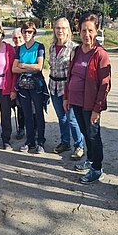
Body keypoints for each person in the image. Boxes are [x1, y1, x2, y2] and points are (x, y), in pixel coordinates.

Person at [64, 13, 111, 184]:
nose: (86, 34)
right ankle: (90, 161)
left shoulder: (100, 54)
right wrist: (67, 97)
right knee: (85, 133)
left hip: (90, 104)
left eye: (90, 30)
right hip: (76, 102)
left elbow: (105, 83)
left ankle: (97, 169)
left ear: (96, 31)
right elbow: (71, 75)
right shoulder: (77, 51)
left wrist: (97, 109)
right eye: (83, 30)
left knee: (93, 135)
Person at [49, 17, 84, 160]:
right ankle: (65, 142)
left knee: (72, 119)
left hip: (67, 87)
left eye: (63, 28)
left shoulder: (74, 48)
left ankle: (79, 145)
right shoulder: (51, 47)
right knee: (61, 118)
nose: (60, 31)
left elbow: (75, 71)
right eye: (57, 28)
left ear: (68, 30)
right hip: (53, 87)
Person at [12, 21, 48, 154]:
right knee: (27, 114)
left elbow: (39, 67)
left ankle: (41, 141)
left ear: (34, 33)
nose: (27, 34)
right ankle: (30, 140)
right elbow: (13, 69)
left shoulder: (39, 47)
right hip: (23, 85)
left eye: (29, 32)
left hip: (36, 85)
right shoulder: (19, 49)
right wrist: (28, 67)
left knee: (39, 113)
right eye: (24, 31)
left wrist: (23, 65)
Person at [11, 28, 26, 139]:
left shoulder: (26, 49)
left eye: (19, 37)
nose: (17, 40)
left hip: (27, 82)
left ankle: (34, 129)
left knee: (29, 107)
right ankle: (21, 128)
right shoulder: (11, 51)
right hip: (14, 81)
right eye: (15, 38)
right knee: (18, 107)